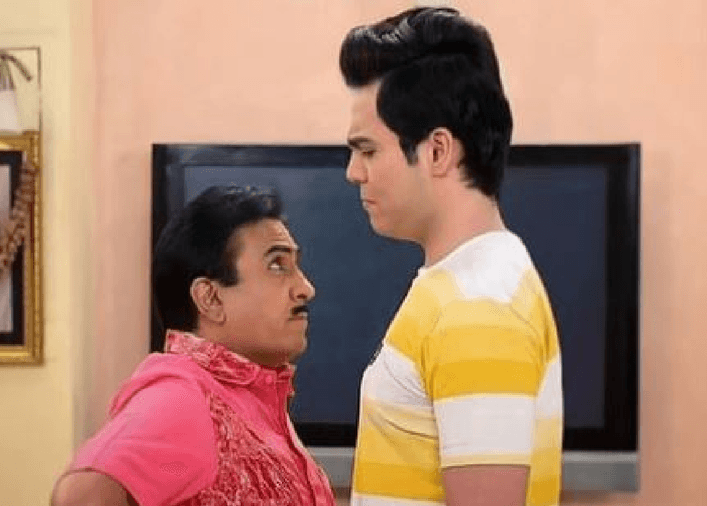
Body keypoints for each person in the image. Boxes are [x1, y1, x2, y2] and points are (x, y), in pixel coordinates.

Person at [340, 7, 563, 506]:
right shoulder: (470, 286)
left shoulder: (478, 305)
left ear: (438, 151)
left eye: (368, 150)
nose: (353, 172)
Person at [51, 186, 336, 506]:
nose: (305, 288)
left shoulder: (248, 400)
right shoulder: (184, 397)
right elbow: (84, 494)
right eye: (276, 265)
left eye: (296, 265)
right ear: (210, 298)